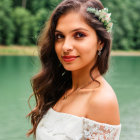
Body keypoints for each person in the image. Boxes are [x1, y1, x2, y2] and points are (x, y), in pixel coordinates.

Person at [27, 0, 121, 139]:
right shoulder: (62, 88)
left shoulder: (101, 101)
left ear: (100, 42)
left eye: (79, 35)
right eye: (60, 36)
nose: (66, 46)